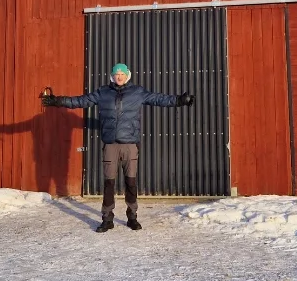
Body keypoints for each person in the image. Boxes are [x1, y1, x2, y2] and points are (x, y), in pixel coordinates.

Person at [42, 63, 194, 230]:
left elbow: (159, 99)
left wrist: (180, 100)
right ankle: (107, 219)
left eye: (122, 73)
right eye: (116, 74)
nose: (119, 76)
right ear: (112, 76)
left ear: (127, 75)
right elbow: (81, 100)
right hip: (110, 146)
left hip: (130, 145)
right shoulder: (103, 92)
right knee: (109, 183)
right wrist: (57, 101)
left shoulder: (137, 92)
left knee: (131, 182)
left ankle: (132, 216)